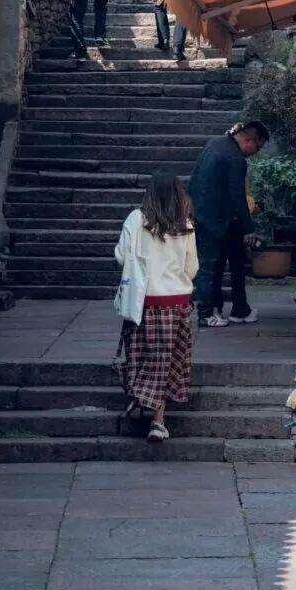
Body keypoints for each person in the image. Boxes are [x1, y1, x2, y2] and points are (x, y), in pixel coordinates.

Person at [113, 169, 197, 442]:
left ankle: (150, 409)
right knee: (168, 361)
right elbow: (192, 268)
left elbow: (121, 257)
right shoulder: (185, 224)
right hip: (177, 302)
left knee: (143, 356)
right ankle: (158, 419)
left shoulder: (136, 219)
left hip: (144, 303)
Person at [187, 121, 269, 327]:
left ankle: (212, 309)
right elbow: (237, 197)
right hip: (216, 219)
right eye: (257, 148)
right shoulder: (236, 159)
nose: (254, 153)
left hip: (200, 214)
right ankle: (205, 314)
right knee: (207, 268)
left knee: (207, 267)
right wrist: (248, 228)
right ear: (249, 140)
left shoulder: (214, 144)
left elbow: (194, 180)